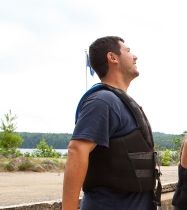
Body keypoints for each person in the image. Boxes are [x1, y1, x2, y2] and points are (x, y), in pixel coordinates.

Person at [62, 36, 161, 210]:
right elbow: (77, 150)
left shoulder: (120, 102)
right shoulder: (102, 101)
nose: (135, 56)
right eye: (128, 51)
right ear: (112, 58)